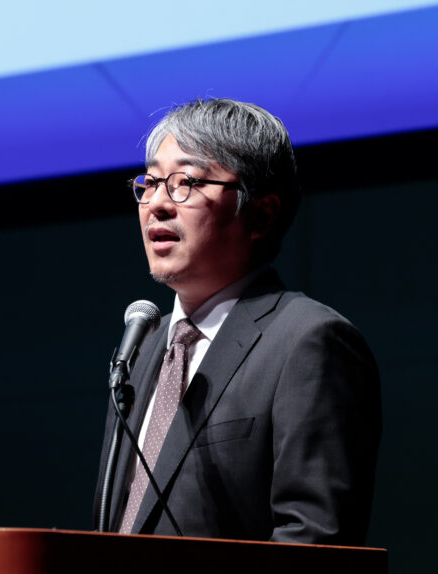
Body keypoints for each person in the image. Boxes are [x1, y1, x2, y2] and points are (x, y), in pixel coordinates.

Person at [93, 98, 381, 545]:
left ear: (261, 214)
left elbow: (315, 543)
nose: (156, 204)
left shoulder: (308, 342)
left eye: (184, 182)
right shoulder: (145, 345)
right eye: (149, 183)